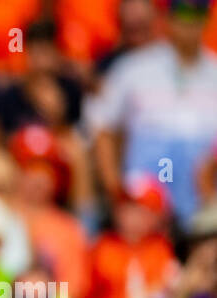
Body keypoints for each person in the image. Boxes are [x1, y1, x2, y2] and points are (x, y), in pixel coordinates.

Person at [87, 0, 217, 222]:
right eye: (182, 13)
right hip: (143, 203)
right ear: (167, 18)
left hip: (204, 203)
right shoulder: (134, 68)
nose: (190, 23)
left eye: (198, 14)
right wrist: (114, 191)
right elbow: (101, 126)